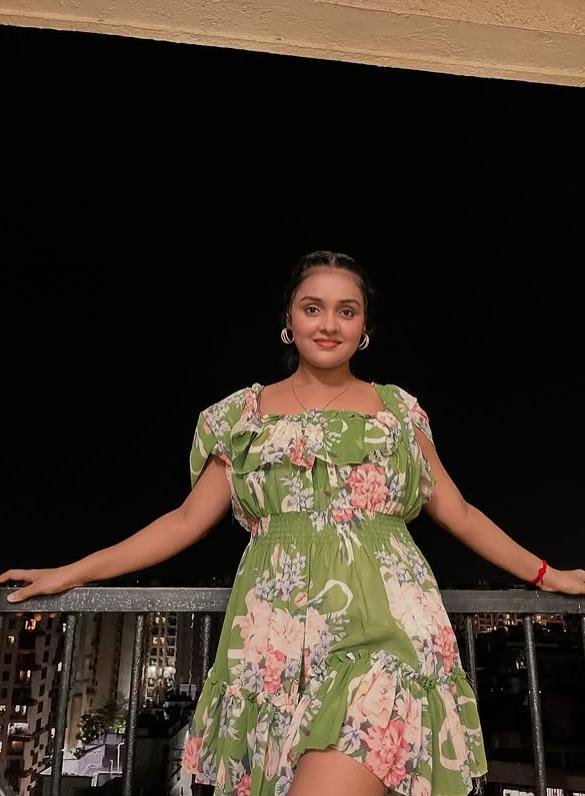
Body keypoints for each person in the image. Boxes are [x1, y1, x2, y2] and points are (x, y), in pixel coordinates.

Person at [2, 251, 584, 796]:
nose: (328, 324)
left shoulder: (397, 412)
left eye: (346, 311)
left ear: (364, 327)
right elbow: (182, 522)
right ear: (289, 320)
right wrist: (72, 572)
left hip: (386, 635)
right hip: (275, 646)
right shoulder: (242, 417)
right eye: (313, 308)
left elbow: (458, 512)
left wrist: (547, 574)